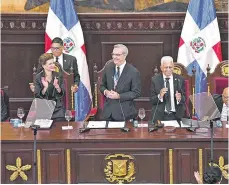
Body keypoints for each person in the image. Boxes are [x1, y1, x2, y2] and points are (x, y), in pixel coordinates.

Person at [100, 44, 141, 121]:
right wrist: (106, 92)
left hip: (125, 114)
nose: (114, 57)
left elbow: (136, 93)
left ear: (124, 55)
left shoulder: (133, 72)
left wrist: (119, 96)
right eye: (113, 54)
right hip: (108, 113)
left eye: (117, 55)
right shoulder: (108, 68)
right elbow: (102, 86)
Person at [150, 56, 186, 123]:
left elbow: (184, 98)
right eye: (166, 67)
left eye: (170, 67)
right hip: (160, 117)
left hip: (176, 116)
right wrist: (160, 96)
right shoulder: (155, 80)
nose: (168, 69)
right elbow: (152, 100)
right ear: (161, 68)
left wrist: (180, 98)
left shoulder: (180, 79)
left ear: (173, 67)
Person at [34, 53, 65, 121]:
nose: (53, 65)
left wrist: (57, 87)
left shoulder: (59, 76)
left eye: (53, 63)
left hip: (58, 111)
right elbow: (37, 95)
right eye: (50, 64)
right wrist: (45, 88)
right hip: (44, 111)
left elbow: (62, 94)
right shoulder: (38, 78)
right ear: (43, 66)